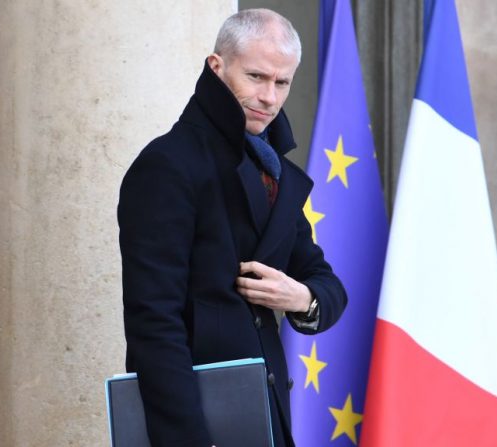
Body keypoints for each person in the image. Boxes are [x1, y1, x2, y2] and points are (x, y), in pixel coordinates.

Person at [117, 9, 347, 447]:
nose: (269, 97)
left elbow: (328, 284)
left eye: (282, 83)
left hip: (265, 417)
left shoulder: (275, 171)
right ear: (216, 66)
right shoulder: (166, 165)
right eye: (256, 77)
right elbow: (153, 323)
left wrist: (300, 298)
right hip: (192, 425)